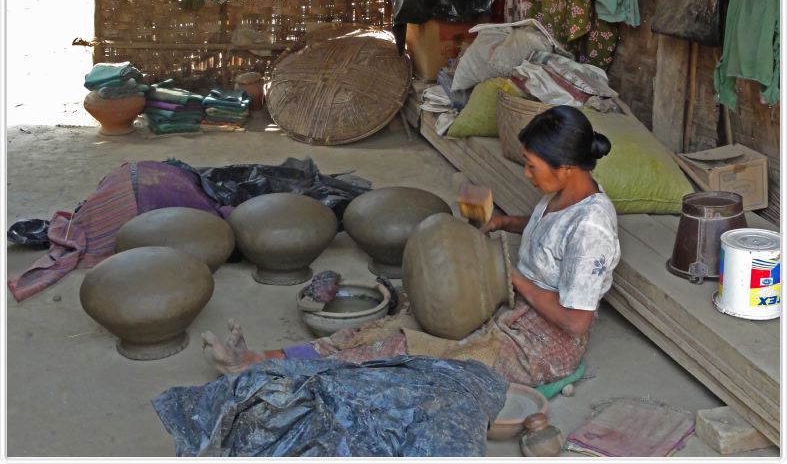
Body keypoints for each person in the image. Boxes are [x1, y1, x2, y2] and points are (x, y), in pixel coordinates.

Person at [203, 105, 621, 386]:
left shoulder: (593, 229)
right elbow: (551, 228)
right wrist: (506, 222)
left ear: (566, 168)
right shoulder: (564, 194)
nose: (527, 174)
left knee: (408, 351)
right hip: (513, 306)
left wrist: (512, 278)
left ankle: (272, 372)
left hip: (542, 343)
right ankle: (263, 357)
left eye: (533, 167)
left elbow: (576, 322)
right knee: (395, 318)